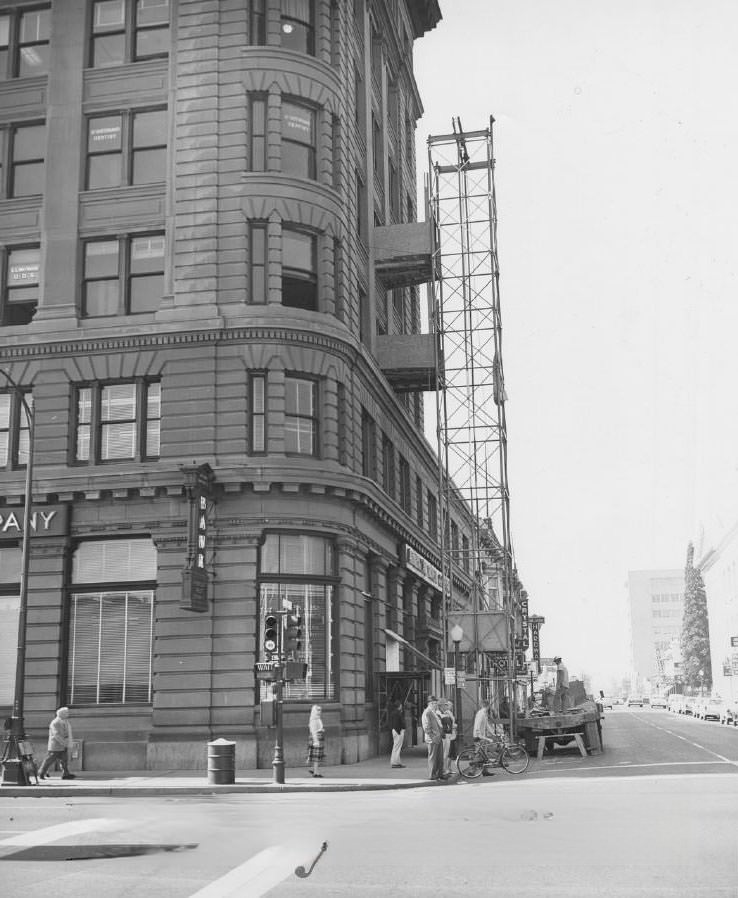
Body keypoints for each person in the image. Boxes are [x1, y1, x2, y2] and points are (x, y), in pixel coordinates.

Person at [38, 707, 76, 780]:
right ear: (62, 714)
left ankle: (66, 774)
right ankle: (41, 773)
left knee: (64, 760)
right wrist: (64, 743)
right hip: (56, 746)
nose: (68, 714)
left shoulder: (64, 721)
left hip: (63, 745)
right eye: (67, 713)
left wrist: (67, 742)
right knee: (49, 760)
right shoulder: (56, 722)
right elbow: (57, 735)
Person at [421, 695, 446, 781]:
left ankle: (439, 774)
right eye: (434, 703)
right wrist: (433, 737)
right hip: (433, 739)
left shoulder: (433, 712)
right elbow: (426, 727)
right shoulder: (427, 712)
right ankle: (432, 775)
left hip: (438, 737)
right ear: (430, 704)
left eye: (436, 703)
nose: (436, 705)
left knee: (439, 757)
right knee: (433, 757)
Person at [438, 699, 456, 775]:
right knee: (444, 754)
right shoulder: (439, 713)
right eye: (445, 705)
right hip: (445, 735)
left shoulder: (446, 713)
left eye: (447, 705)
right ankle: (443, 770)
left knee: (447, 753)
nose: (447, 706)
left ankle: (445, 769)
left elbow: (451, 723)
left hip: (449, 735)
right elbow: (441, 725)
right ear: (441, 706)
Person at [306, 704, 325, 778]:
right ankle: (316, 772)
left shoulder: (317, 719)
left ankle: (314, 770)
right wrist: (316, 741)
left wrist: (321, 730)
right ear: (314, 711)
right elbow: (313, 731)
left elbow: (317, 729)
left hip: (318, 738)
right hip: (316, 739)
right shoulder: (314, 720)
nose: (319, 712)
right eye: (318, 710)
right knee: (316, 758)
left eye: (320, 710)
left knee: (317, 757)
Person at [389, 700, 406, 768]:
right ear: (399, 706)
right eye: (401, 705)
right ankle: (395, 762)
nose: (401, 706)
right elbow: (397, 723)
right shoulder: (397, 713)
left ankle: (397, 762)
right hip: (398, 731)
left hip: (396, 731)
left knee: (396, 747)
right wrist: (399, 731)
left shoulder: (394, 712)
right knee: (397, 747)